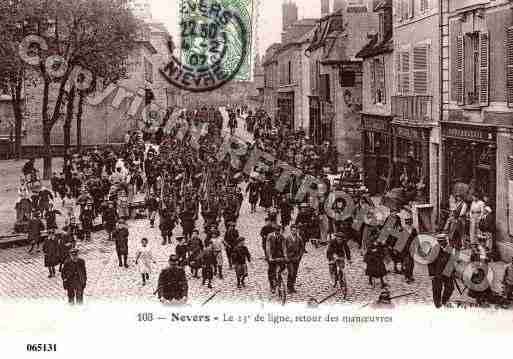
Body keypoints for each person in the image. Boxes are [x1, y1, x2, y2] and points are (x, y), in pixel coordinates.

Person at [428, 236, 456, 308]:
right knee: (437, 289)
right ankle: (437, 305)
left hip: (447, 272)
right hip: (437, 272)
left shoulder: (450, 249)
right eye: (442, 242)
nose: (445, 244)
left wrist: (453, 271)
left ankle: (444, 301)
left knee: (450, 287)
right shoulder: (434, 249)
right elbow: (430, 262)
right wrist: (431, 274)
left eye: (445, 242)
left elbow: (453, 260)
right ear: (439, 242)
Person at [265, 225, 287, 293]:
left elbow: (284, 247)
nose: (278, 232)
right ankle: (272, 285)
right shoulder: (270, 236)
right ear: (274, 230)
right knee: (271, 271)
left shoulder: (282, 237)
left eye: (279, 231)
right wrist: (270, 257)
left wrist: (285, 255)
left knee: (283, 267)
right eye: (277, 231)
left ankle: (279, 279)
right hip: (272, 255)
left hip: (279, 255)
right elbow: (268, 247)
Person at [285, 224, 304, 293]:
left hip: (296, 259)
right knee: (291, 272)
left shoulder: (299, 238)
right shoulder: (287, 238)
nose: (294, 232)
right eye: (293, 231)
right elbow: (284, 248)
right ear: (291, 231)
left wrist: (299, 256)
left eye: (295, 231)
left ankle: (292, 286)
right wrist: (286, 257)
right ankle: (288, 286)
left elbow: (302, 248)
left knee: (295, 273)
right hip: (289, 259)